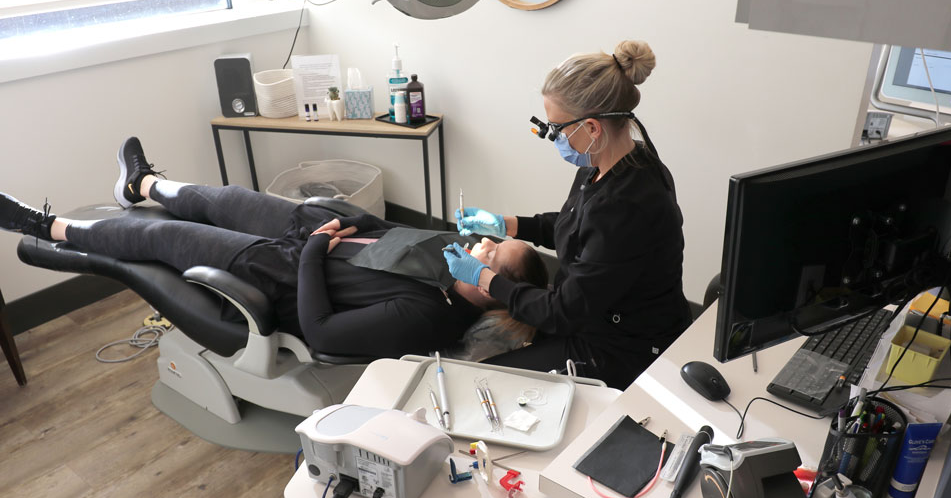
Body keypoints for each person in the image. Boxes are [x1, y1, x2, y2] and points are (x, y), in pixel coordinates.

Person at [2, 137, 548, 359]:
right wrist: (337, 218)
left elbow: (322, 329)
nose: (481, 244)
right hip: (314, 226)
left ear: (491, 288)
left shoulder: (429, 317)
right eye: (491, 240)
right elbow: (384, 232)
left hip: (281, 271)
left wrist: (312, 252)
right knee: (221, 196)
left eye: (491, 255)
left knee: (161, 237)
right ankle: (140, 185)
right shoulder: (453, 251)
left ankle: (47, 226)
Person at [444, 40, 692, 389]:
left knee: (487, 382)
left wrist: (485, 279)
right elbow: (577, 225)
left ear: (592, 128)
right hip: (592, 317)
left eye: (556, 129)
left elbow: (564, 311)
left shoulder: (628, 205)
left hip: (624, 347)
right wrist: (507, 224)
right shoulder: (609, 162)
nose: (554, 137)